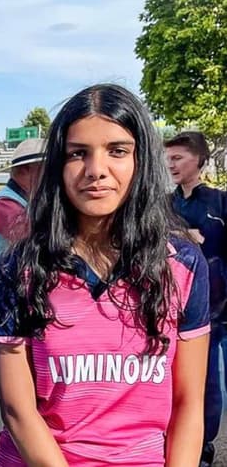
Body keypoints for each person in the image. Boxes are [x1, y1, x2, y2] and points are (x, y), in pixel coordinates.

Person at [0, 83, 210, 466]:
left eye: (117, 151)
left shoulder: (183, 265)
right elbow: (18, 410)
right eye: (78, 153)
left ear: (141, 160)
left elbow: (188, 404)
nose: (96, 171)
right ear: (57, 165)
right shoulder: (21, 267)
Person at [165, 131, 227, 466]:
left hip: (224, 307)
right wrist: (179, 234)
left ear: (200, 160)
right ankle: (200, 449)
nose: (171, 165)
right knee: (201, 386)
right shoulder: (164, 206)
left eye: (178, 158)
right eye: (168, 158)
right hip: (189, 314)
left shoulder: (220, 202)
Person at [0, 137, 45, 289]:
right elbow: (39, 244)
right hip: (8, 294)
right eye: (45, 168)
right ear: (25, 170)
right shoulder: (5, 205)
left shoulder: (26, 199)